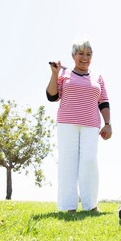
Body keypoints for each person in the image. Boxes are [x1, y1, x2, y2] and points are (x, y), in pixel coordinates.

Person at [46, 38, 112, 213]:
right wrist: (54, 74)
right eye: (81, 54)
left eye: (88, 54)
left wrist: (108, 124)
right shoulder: (63, 74)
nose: (85, 57)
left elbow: (103, 101)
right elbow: (52, 96)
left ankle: (91, 205)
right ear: (73, 55)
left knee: (89, 161)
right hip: (67, 123)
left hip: (91, 125)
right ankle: (69, 206)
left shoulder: (97, 76)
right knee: (68, 163)